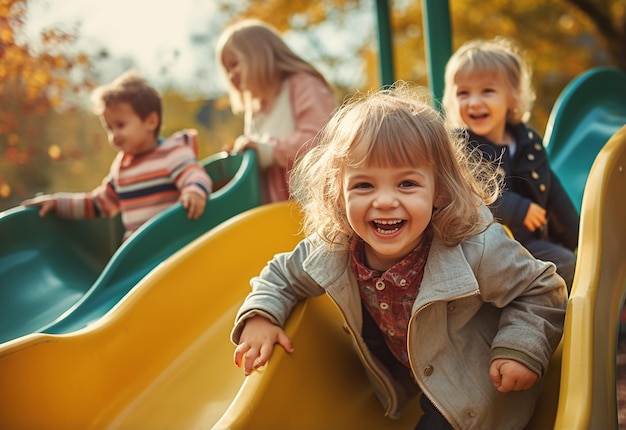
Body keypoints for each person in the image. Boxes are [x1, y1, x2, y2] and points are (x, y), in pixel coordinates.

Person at [230, 84, 567, 430]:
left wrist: (519, 348)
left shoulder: (474, 247)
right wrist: (261, 316)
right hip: (407, 379)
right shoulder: (335, 247)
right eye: (364, 186)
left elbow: (542, 289)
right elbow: (281, 274)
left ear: (439, 190)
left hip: (477, 383)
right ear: (338, 192)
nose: (385, 201)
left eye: (406, 184)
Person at [442, 37, 579, 290]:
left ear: (512, 99)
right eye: (463, 93)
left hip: (525, 243)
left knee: (573, 261)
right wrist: (518, 209)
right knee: (562, 264)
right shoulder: (460, 147)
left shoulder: (527, 142)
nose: (473, 102)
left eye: (487, 91)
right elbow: (469, 194)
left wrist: (575, 232)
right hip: (483, 248)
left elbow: (551, 188)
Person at [21, 71, 213, 240]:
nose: (114, 135)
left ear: (151, 122)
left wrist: (194, 192)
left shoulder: (171, 152)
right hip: (137, 254)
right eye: (109, 128)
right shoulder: (122, 167)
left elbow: (194, 175)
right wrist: (57, 203)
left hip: (170, 244)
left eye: (121, 125)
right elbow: (98, 203)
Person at [216, 19, 336, 203]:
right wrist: (244, 155)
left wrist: (269, 151)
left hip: (309, 202)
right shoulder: (256, 108)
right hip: (273, 204)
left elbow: (318, 139)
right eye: (227, 70)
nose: (231, 75)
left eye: (234, 64)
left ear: (258, 55)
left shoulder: (302, 84)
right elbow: (259, 154)